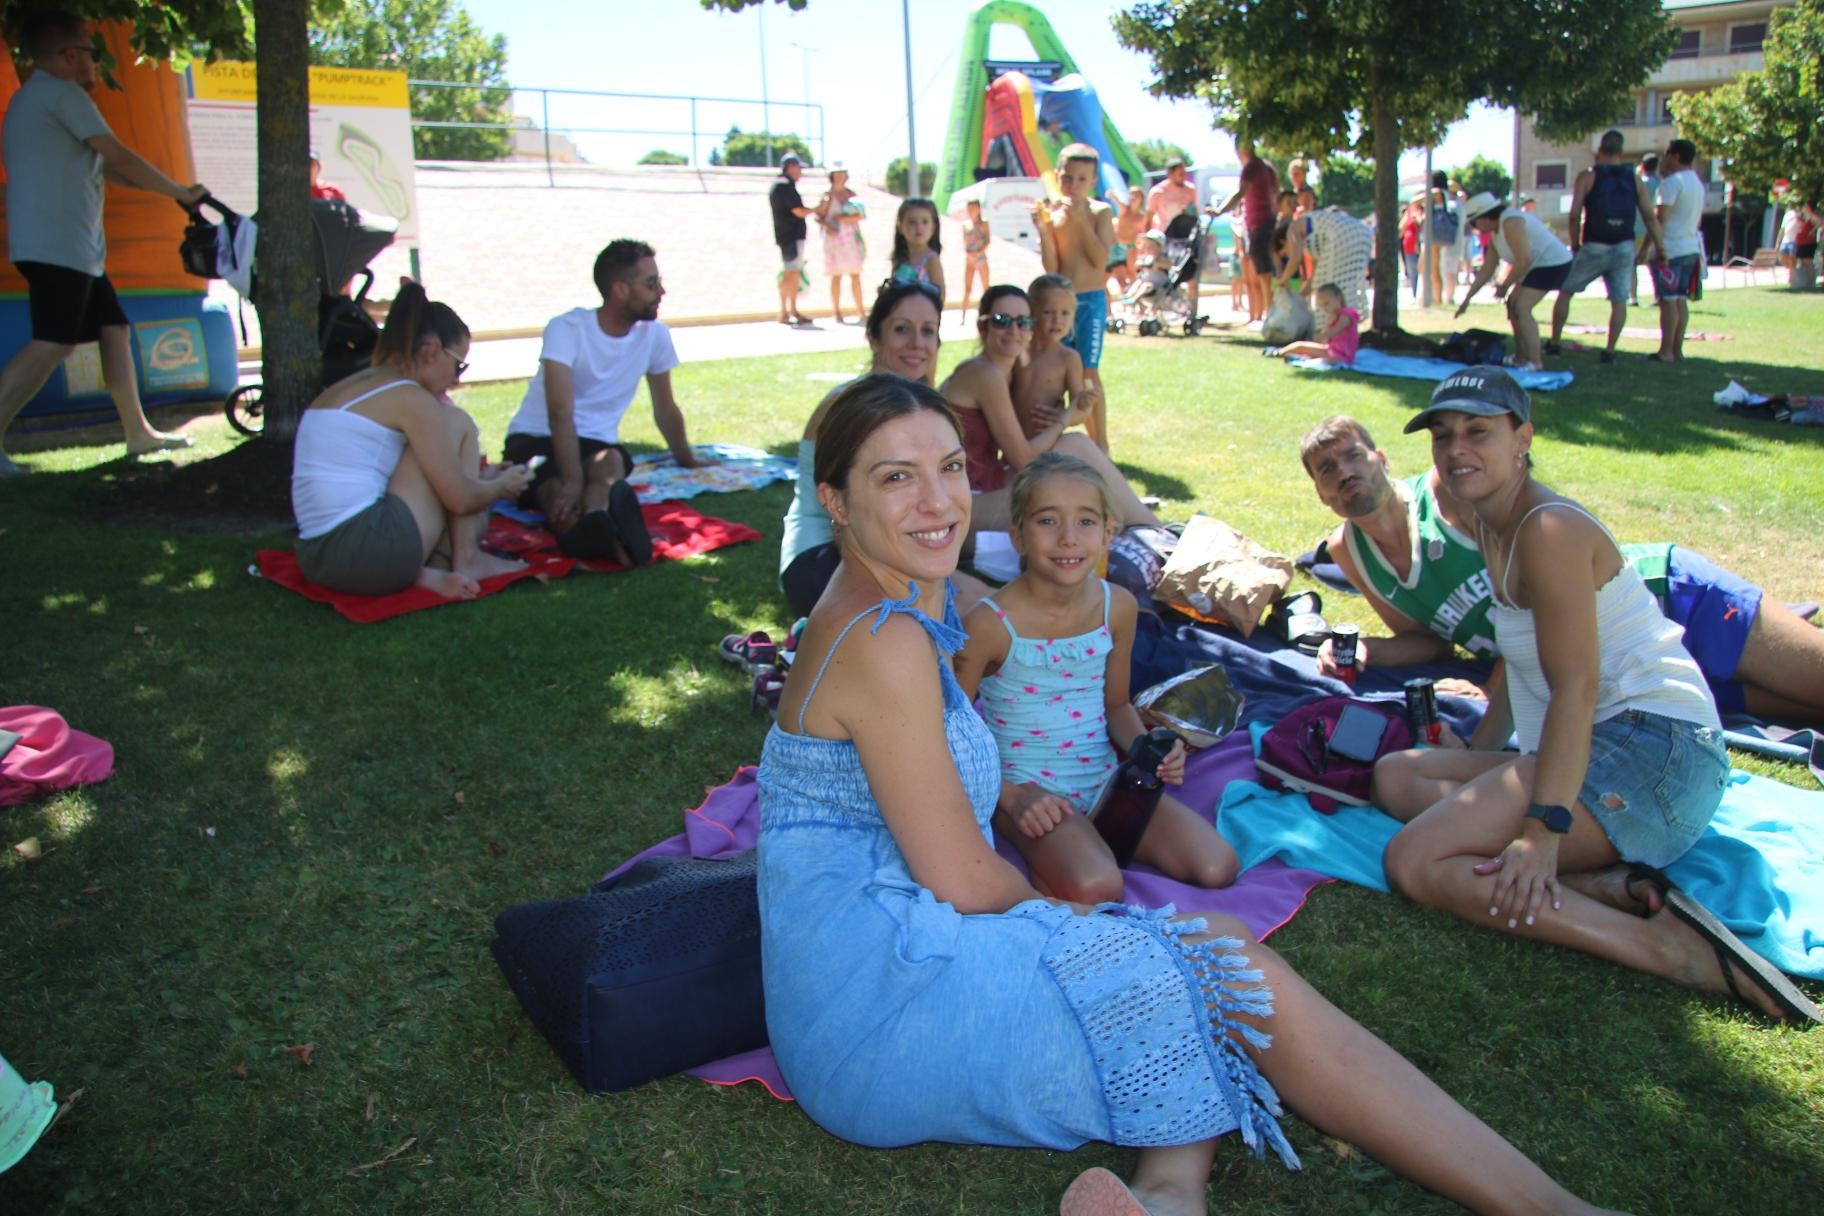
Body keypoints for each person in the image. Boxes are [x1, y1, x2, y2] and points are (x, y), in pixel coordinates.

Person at [757, 371, 1635, 1215]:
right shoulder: (883, 638)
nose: (939, 502)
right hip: (878, 1006)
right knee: (1210, 965)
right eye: (896, 478)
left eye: (950, 469)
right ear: (833, 500)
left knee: (1199, 960)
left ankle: (1173, 1192)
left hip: (872, 959)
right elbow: (964, 881)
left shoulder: (898, 595)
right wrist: (1096, 935)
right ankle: (1553, 1207)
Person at [1367, 369, 1817, 1024]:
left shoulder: (1549, 530)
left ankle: (1669, 949)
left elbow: (1576, 685)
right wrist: (1482, 751)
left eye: (1478, 432)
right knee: (1397, 777)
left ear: (1523, 437)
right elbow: (1523, 668)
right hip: (1607, 745)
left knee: (1415, 860)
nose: (1456, 449)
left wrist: (1540, 831)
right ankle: (1606, 887)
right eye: (1443, 435)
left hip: (1656, 753)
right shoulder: (1490, 523)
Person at [1299, 413, 1824, 730]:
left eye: (1354, 456)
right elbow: (1428, 643)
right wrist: (1369, 649)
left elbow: (1525, 603)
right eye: (1328, 469)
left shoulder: (1448, 492)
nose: (1345, 472)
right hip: (1619, 668)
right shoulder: (1351, 552)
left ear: (1382, 458)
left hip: (1658, 596)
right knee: (1807, 709)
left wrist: (1494, 692)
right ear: (1320, 494)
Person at [956, 452, 1240, 904]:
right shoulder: (989, 625)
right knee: (1099, 887)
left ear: (1109, 533)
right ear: (1019, 536)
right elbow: (950, 731)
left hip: (1106, 782)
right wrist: (1008, 797)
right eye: (1048, 521)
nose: (1068, 538)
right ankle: (1054, 864)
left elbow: (1116, 707)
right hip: (1028, 792)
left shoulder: (1119, 607)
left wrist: (1147, 749)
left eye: (1086, 522)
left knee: (1217, 866)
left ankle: (1082, 850)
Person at [0, 10, 205, 476]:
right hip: (59, 245)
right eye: (92, 54)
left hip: (67, 246)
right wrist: (179, 192)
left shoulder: (33, 99)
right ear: (70, 55)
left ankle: (137, 432)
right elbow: (119, 155)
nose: (96, 64)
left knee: (113, 327)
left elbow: (104, 167)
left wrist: (168, 191)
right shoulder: (64, 95)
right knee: (52, 343)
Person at [290, 283, 532, 599]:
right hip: (367, 551)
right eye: (458, 364)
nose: (457, 379)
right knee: (456, 422)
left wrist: (481, 479)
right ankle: (467, 559)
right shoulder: (412, 399)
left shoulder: (355, 386)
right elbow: (459, 499)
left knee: (466, 501)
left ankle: (426, 570)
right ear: (431, 351)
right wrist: (502, 486)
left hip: (317, 557)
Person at [780, 280, 993, 620]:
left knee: (991, 607)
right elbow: (854, 521)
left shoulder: (912, 405)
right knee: (981, 616)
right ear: (874, 337)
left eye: (928, 332)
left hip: (885, 538)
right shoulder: (848, 406)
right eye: (901, 330)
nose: (917, 343)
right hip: (825, 553)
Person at [503, 240, 704, 566]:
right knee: (552, 487)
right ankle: (592, 533)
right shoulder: (566, 329)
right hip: (535, 437)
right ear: (620, 289)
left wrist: (688, 460)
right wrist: (572, 479)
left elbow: (665, 409)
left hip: (596, 446)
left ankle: (598, 524)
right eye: (651, 283)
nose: (661, 291)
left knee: (609, 463)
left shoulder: (655, 336)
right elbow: (559, 412)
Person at [938, 283, 1159, 537]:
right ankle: (1154, 532)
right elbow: (1023, 458)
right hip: (965, 502)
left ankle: (1147, 530)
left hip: (982, 486)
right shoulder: (985, 374)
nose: (1014, 330)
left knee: (1073, 457)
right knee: (1074, 453)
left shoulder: (1003, 369)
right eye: (1001, 321)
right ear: (982, 326)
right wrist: (1065, 418)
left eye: (1023, 322)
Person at [1546, 131, 1665, 364]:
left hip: (1595, 244)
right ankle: (1610, 350)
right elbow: (1650, 217)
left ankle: (1555, 343)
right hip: (1623, 246)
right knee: (1619, 300)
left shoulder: (1588, 177)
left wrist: (1575, 244)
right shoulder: (1634, 179)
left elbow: (1574, 214)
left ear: (1599, 150)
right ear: (1621, 152)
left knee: (1566, 291)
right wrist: (1660, 248)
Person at [1033, 144, 1117, 449]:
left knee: (1089, 370)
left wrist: (1081, 220)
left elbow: (1099, 259)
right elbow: (1052, 268)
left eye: (1082, 179)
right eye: (1068, 178)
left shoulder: (1101, 212)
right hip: (1062, 304)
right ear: (1058, 177)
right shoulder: (1055, 215)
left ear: (1092, 181)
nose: (1074, 185)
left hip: (1090, 301)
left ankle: (1101, 442)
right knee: (1064, 367)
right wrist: (1044, 231)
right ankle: (1063, 432)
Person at [1455, 192, 1572, 371]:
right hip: (1536, 265)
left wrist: (1504, 286)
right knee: (1512, 305)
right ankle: (1520, 357)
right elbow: (1487, 270)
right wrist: (1467, 299)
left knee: (1522, 307)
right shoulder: (1495, 235)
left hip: (1553, 263)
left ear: (1485, 218)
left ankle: (1535, 362)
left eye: (1474, 222)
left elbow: (1523, 259)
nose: (1474, 227)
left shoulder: (1511, 222)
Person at [1013, 274, 1100, 440]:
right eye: (1048, 312)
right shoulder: (1017, 351)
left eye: (1065, 313)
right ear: (1031, 312)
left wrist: (1080, 406)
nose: (1057, 320)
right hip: (1011, 441)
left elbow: (1078, 410)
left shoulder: (1068, 358)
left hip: (1047, 441)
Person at [1651, 139, 1704, 363]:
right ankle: (1677, 349)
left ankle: (1666, 351)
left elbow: (1661, 218)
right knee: (1680, 300)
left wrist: (1653, 247)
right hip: (1691, 247)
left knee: (1668, 300)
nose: (1664, 159)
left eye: (1667, 154)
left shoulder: (1671, 183)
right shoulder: (1697, 183)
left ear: (1676, 156)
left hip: (1670, 248)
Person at [1214, 140, 1278, 324]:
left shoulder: (1252, 167)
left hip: (1259, 224)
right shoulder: (1265, 167)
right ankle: (1259, 315)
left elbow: (1241, 192)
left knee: (1263, 273)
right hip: (1259, 224)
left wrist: (1220, 210)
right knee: (1257, 273)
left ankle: (1268, 316)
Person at [1277, 204, 1371, 315]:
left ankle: (1330, 324)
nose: (1288, 256)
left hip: (1343, 234)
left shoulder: (1293, 229)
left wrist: (1282, 281)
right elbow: (1314, 279)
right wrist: (1298, 299)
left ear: (1283, 242)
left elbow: (1295, 259)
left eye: (1284, 253)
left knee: (1325, 290)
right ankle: (1344, 323)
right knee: (1340, 287)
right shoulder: (1317, 242)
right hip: (1363, 233)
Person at [814, 162, 865, 325]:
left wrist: (843, 219)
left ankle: (860, 310)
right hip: (834, 239)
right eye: (837, 174)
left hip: (851, 238)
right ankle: (836, 311)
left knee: (855, 275)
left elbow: (861, 215)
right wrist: (829, 225)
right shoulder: (826, 196)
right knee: (836, 276)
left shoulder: (851, 195)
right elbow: (818, 216)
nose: (840, 177)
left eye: (842, 173)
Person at [769, 153, 813, 326]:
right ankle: (784, 311)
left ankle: (792, 309)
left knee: (794, 273)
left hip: (790, 237)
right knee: (790, 273)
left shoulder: (784, 185)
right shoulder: (783, 186)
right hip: (790, 238)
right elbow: (798, 211)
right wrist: (817, 210)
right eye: (799, 167)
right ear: (791, 167)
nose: (800, 171)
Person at [1269, 282, 1359, 366]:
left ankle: (1297, 359)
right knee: (1300, 346)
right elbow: (1326, 338)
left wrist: (1324, 335)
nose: (1324, 308)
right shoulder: (1332, 316)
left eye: (1326, 304)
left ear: (1338, 298)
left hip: (1342, 354)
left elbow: (1338, 329)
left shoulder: (1347, 314)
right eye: (1321, 306)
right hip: (1330, 350)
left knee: (1330, 360)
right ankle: (1279, 352)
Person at [889, 196, 946, 300]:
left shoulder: (931, 259)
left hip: (923, 314)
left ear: (933, 227)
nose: (919, 227)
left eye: (925, 222)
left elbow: (940, 295)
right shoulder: (900, 258)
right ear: (900, 226)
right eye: (912, 222)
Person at [1426, 171, 1462, 307]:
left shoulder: (1436, 193)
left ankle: (1438, 298)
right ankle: (1439, 297)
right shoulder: (1449, 196)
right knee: (1438, 268)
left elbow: (1417, 199)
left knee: (1435, 268)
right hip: (1446, 236)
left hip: (1436, 235)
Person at [1630, 154, 1660, 306]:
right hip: (1652, 229)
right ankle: (1658, 295)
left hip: (1635, 228)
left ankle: (1633, 297)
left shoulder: (1637, 183)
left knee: (1632, 265)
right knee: (1653, 265)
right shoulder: (1660, 184)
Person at [959, 198, 991, 318]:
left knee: (986, 288)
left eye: (973, 208)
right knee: (967, 289)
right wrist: (969, 254)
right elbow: (965, 242)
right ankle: (963, 316)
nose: (971, 211)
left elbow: (987, 240)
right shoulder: (965, 225)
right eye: (969, 208)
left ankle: (988, 312)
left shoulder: (984, 224)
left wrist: (979, 252)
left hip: (981, 258)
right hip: (970, 259)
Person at [1399, 198, 1424, 299]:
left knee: (1423, 271)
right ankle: (1415, 295)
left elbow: (1424, 226)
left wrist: (1418, 219)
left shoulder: (1425, 211)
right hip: (1409, 247)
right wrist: (1406, 219)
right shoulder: (1408, 214)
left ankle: (1423, 296)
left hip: (1422, 247)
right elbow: (1400, 231)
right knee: (1412, 272)